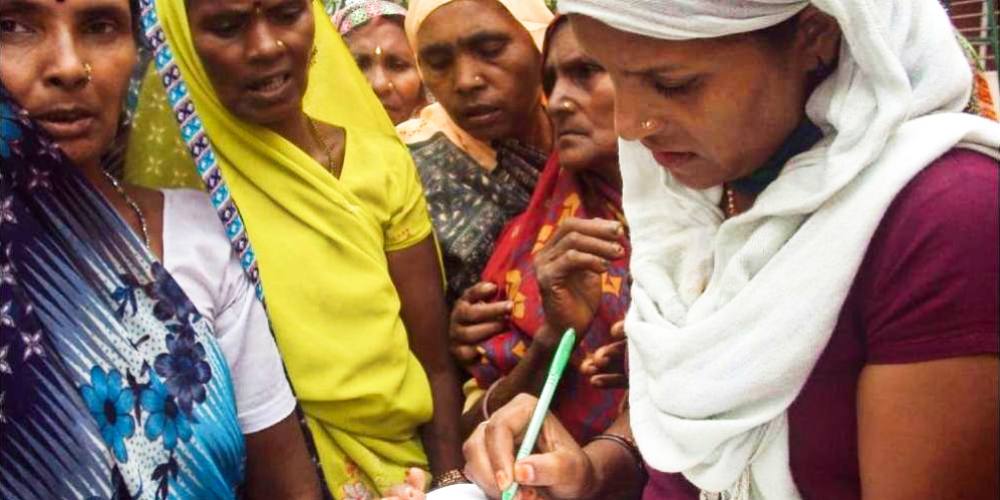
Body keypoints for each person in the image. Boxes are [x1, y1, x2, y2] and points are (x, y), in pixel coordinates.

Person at [462, 1, 1000, 499]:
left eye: (671, 82)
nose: (629, 123)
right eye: (612, 71)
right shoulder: (688, 197)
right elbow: (692, 453)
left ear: (816, 35)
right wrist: (596, 468)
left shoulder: (945, 218)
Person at [137, 0, 466, 496]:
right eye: (228, 26)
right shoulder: (177, 210)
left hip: (410, 474)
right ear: (182, 42)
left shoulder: (380, 166)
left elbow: (434, 361)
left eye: (287, 14)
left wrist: (450, 483)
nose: (267, 46)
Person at [0, 0, 320, 498]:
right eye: (13, 27)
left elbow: (287, 488)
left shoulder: (199, 236)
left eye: (100, 26)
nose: (68, 66)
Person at [448, 15, 628, 442]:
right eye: (552, 79)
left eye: (586, 72)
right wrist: (553, 337)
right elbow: (473, 432)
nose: (558, 101)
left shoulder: (727, 213)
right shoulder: (533, 242)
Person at [399, 0, 554, 304]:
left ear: (541, 43)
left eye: (491, 50)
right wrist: (454, 335)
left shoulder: (601, 126)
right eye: (439, 62)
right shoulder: (405, 169)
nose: (466, 81)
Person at [333, 0, 429, 125]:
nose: (379, 84)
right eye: (359, 65)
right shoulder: (312, 142)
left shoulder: (455, 140)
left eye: (398, 65)